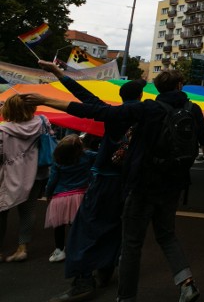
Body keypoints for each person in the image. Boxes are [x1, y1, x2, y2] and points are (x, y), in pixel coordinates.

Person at [25, 70, 204, 302]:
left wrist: (46, 99)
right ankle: (186, 284)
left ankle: (123, 296)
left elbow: (93, 108)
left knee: (128, 242)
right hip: (173, 184)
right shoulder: (192, 110)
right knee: (166, 235)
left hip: (138, 185)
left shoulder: (146, 110)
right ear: (180, 85)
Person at [37, 59, 141, 302]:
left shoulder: (114, 115)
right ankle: (105, 270)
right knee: (115, 227)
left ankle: (82, 279)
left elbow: (84, 98)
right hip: (128, 184)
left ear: (121, 96)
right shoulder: (147, 117)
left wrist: (57, 75)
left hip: (105, 181)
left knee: (84, 230)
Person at [0, 94, 52, 263]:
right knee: (28, 211)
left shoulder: (3, 130)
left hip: (7, 176)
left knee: (2, 211)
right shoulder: (42, 122)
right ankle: (22, 248)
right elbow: (50, 139)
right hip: (35, 173)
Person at [45, 135, 96, 264]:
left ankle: (59, 250)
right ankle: (79, 248)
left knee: (59, 226)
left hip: (60, 197)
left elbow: (52, 181)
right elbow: (101, 155)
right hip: (80, 195)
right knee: (77, 225)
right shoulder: (86, 156)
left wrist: (48, 194)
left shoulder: (58, 161)